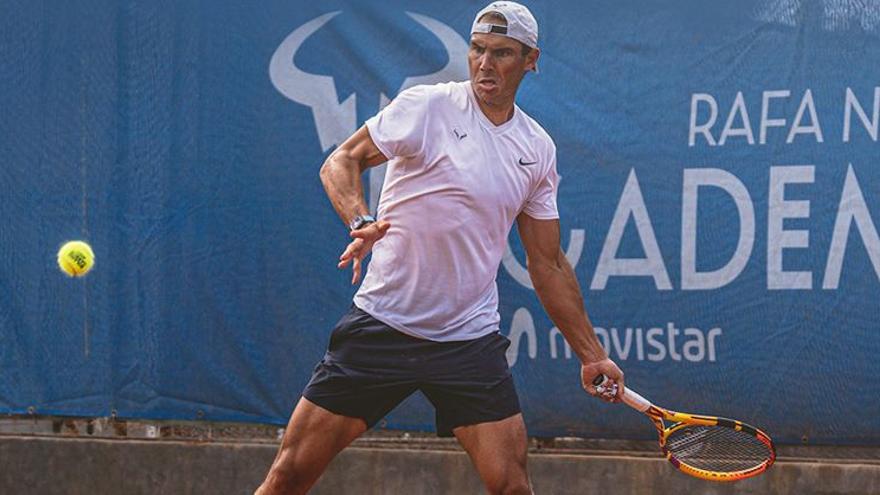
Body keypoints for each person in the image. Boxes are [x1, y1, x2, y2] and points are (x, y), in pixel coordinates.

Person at [255, 2, 624, 494]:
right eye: (477, 49)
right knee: (288, 477)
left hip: (467, 341)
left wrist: (591, 354)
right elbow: (341, 161)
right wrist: (360, 219)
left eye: (502, 53)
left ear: (530, 59)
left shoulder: (536, 149)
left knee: (513, 486)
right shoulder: (428, 106)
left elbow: (548, 262)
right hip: (383, 326)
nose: (485, 64)